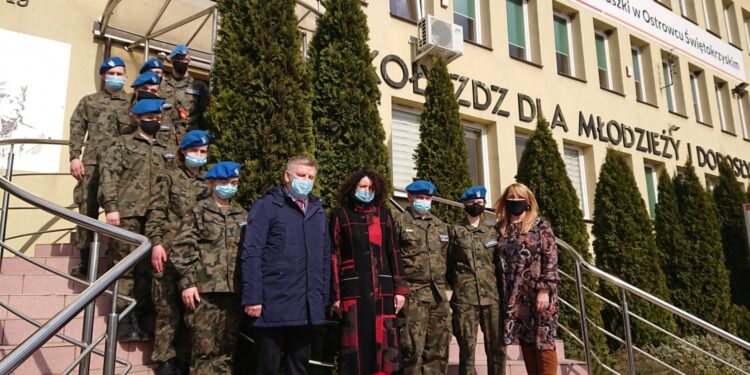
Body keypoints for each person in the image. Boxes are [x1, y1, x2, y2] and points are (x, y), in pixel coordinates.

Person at [241, 156, 331, 375]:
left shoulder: (317, 211)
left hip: (306, 307)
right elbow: (251, 253)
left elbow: (325, 258)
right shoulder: (267, 206)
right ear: (287, 176)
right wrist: (253, 297)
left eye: (311, 177)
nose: (306, 181)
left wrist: (321, 299)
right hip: (273, 305)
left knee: (299, 367)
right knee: (267, 367)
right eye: (301, 175)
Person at [99, 98, 172, 342]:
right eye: (150, 117)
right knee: (125, 268)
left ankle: (138, 317)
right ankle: (121, 318)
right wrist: (111, 207)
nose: (155, 120)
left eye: (157, 116)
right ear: (137, 118)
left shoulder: (164, 149)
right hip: (128, 215)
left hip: (155, 217)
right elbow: (109, 176)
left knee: (145, 271)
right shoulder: (122, 144)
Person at [329, 170, 409, 375]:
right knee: (355, 350)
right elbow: (334, 256)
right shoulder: (341, 215)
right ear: (353, 188)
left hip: (383, 292)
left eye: (371, 188)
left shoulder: (384, 215)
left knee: (385, 349)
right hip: (353, 294)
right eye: (362, 187)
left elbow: (393, 252)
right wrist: (335, 295)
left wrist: (400, 290)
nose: (367, 191)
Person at [171, 161, 246, 375]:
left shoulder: (241, 215)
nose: (229, 186)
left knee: (226, 350)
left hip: (232, 291)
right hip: (204, 292)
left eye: (233, 182)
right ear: (212, 183)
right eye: (224, 182)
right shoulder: (198, 211)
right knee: (203, 350)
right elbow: (182, 247)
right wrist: (187, 283)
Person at [145, 130, 210, 374]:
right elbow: (157, 211)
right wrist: (156, 243)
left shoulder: (208, 182)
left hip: (197, 256)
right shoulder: (169, 176)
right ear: (184, 151)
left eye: (203, 152)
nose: (199, 156)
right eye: (195, 151)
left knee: (191, 310)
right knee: (167, 307)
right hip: (169, 252)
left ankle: (183, 358)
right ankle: (164, 359)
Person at [68, 56, 131, 278]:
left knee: (120, 211)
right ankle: (86, 261)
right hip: (92, 165)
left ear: (126, 77)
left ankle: (116, 259)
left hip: (120, 168)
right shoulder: (89, 101)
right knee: (87, 209)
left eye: (119, 73)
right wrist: (74, 157)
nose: (115, 77)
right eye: (111, 73)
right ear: (103, 76)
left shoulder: (132, 103)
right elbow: (77, 128)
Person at [494, 183, 560, 375]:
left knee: (544, 339)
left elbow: (551, 257)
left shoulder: (540, 225)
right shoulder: (501, 229)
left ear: (528, 201)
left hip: (538, 293)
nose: (515, 201)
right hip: (515, 295)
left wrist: (545, 290)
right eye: (511, 197)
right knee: (527, 340)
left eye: (519, 197)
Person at [394, 180, 452, 375]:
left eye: (428, 198)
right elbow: (391, 258)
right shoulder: (399, 223)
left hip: (438, 296)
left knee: (439, 349)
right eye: (420, 197)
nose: (424, 201)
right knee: (411, 350)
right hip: (413, 295)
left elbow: (447, 259)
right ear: (410, 197)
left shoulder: (440, 226)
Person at [448, 186, 506, 375]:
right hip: (465, 299)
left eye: (479, 203)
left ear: (484, 205)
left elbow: (498, 265)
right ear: (464, 204)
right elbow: (448, 265)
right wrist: (459, 285)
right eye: (472, 203)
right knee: (467, 349)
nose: (475, 206)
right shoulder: (454, 231)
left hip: (491, 298)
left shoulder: (492, 233)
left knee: (497, 348)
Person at [161, 44, 210, 137]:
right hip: (165, 138)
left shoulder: (199, 87)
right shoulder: (162, 84)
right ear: (171, 60)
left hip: (189, 137)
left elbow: (205, 116)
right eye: (178, 59)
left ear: (189, 61)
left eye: (184, 59)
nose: (181, 61)